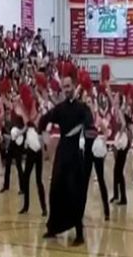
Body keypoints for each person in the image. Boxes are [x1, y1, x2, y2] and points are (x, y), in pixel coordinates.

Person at [38, 64, 92, 245]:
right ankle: (53, 228)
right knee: (55, 190)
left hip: (75, 155)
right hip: (62, 153)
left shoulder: (82, 108)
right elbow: (43, 120)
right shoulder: (59, 109)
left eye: (69, 86)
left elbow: (90, 125)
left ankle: (79, 234)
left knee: (74, 192)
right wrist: (42, 133)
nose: (66, 90)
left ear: (74, 86)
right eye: (64, 87)